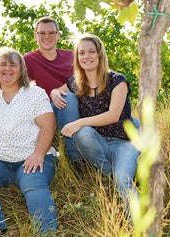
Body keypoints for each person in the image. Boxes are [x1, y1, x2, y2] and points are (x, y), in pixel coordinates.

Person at [0, 47, 57, 235]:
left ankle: (46, 232)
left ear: (21, 69)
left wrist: (39, 154)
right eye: (2, 65)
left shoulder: (36, 93)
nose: (7, 69)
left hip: (33, 158)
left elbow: (48, 126)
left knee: (32, 182)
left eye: (13, 65)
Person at [50, 34, 140, 216]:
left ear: (100, 55)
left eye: (91, 52)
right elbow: (59, 91)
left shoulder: (117, 80)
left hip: (123, 143)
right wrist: (53, 92)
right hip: (96, 143)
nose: (86, 56)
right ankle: (107, 173)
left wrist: (79, 122)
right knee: (83, 134)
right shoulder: (76, 83)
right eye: (81, 53)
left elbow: (114, 115)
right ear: (77, 58)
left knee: (123, 181)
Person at [23, 16, 82, 167]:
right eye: (42, 33)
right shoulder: (28, 60)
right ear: (36, 36)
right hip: (49, 114)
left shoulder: (71, 56)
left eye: (51, 33)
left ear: (58, 35)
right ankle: (75, 159)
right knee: (67, 98)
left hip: (79, 110)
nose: (47, 37)